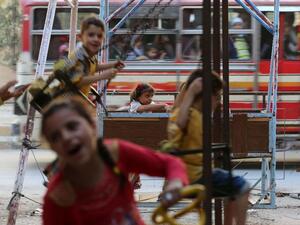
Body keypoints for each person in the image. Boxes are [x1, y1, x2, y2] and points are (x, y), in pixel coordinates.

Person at [41, 96, 189, 225]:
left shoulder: (115, 153)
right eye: (55, 137)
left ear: (92, 126)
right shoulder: (57, 197)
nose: (65, 137)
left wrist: (175, 185)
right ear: (53, 148)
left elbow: (171, 163)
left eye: (72, 126)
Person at [162, 69, 249, 225]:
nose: (218, 101)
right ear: (206, 95)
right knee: (242, 187)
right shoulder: (187, 114)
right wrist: (191, 92)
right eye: (217, 96)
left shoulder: (195, 114)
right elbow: (178, 125)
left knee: (232, 191)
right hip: (193, 176)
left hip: (195, 173)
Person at [29, 16, 125, 101]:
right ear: (80, 37)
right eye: (91, 35)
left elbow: (93, 67)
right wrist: (103, 76)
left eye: (99, 36)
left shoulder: (90, 55)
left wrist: (113, 65)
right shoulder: (78, 57)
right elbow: (78, 81)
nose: (96, 39)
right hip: (66, 104)